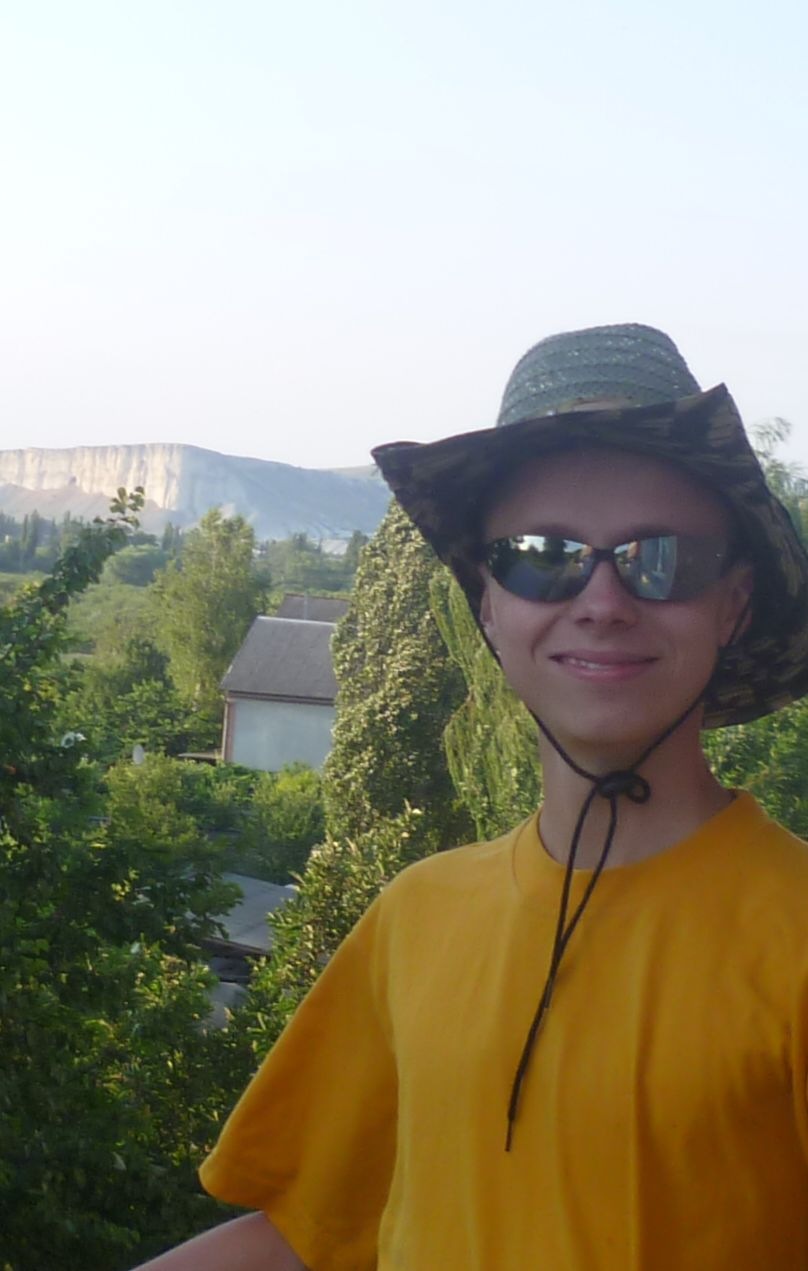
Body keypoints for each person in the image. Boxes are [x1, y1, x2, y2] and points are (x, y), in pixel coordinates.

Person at [135, 324, 808, 1270]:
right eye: (543, 555)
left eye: (660, 558)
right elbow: (309, 1234)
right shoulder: (417, 915)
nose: (602, 601)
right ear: (490, 605)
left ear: (732, 604)